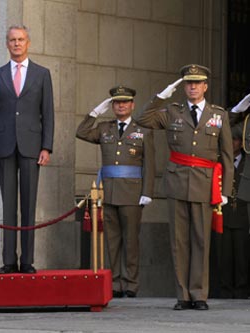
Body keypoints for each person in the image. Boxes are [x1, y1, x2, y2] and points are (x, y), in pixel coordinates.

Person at [134, 64, 233, 310]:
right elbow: (142, 118)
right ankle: (183, 295)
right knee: (179, 241)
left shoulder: (218, 115)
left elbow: (227, 155)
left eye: (197, 83)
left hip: (204, 183)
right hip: (177, 182)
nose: (192, 87)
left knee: (201, 240)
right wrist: (161, 96)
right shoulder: (171, 111)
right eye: (188, 83)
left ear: (205, 86)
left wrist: (226, 190)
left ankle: (199, 294)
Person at [0, 25, 54, 274]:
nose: (16, 44)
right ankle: (8, 261)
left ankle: (27, 261)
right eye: (12, 40)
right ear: (7, 44)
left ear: (28, 43)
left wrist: (47, 146)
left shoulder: (42, 74)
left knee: (28, 203)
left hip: (31, 147)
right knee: (8, 206)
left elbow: (48, 113)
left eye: (21, 39)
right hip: (3, 146)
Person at [76, 86, 155, 298]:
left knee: (131, 241)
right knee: (112, 241)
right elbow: (81, 132)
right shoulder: (104, 128)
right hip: (109, 191)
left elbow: (150, 164)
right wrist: (94, 113)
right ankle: (117, 283)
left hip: (132, 193)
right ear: (112, 106)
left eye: (125, 102)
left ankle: (131, 284)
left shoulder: (143, 130)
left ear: (132, 105)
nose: (121, 105)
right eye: (116, 102)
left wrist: (147, 191)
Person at [219, 128, 248, 298]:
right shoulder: (219, 161)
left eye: (236, 139)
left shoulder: (247, 162)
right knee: (224, 255)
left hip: (243, 216)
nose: (233, 143)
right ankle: (224, 290)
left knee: (242, 255)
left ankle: (242, 291)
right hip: (223, 215)